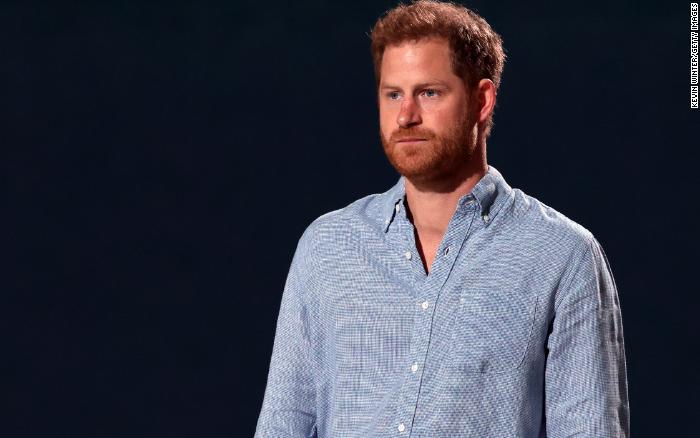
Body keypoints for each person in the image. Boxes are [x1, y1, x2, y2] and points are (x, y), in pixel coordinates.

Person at [254, 1, 630, 436]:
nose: (406, 115)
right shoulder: (327, 246)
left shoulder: (562, 256)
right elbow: (284, 422)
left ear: (482, 100)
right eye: (393, 94)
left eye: (429, 92)